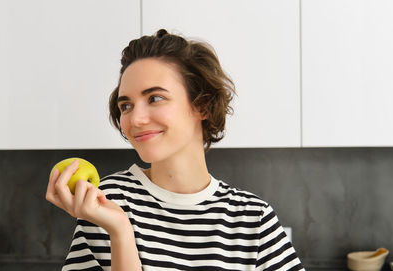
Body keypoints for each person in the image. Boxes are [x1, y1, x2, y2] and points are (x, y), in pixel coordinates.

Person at [45, 29, 304, 271]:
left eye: (155, 98)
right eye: (126, 106)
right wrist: (120, 232)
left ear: (201, 105)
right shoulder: (105, 202)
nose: (135, 119)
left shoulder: (253, 218)